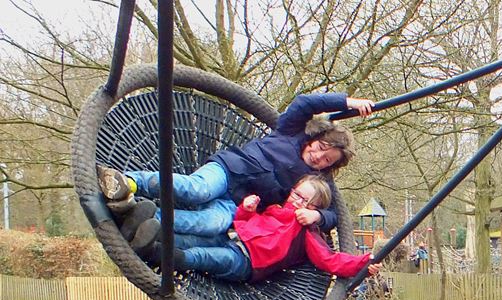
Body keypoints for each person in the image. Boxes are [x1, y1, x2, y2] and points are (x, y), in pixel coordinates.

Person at [98, 93, 374, 238]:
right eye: (321, 149)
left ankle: (144, 219)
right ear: (316, 138)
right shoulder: (291, 132)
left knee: (210, 224)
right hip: (227, 170)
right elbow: (305, 102)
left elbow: (336, 215)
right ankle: (126, 182)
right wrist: (347, 102)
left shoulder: (314, 180)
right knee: (197, 190)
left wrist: (318, 217)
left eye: (327, 161)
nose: (318, 157)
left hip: (238, 204)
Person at [132, 174, 381, 282]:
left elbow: (329, 260)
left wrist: (364, 262)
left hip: (247, 262)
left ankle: (155, 254)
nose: (297, 201)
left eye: (306, 201)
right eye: (297, 195)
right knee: (188, 240)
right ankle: (142, 233)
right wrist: (247, 209)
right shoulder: (273, 210)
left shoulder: (306, 233)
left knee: (203, 256)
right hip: (232, 238)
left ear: (315, 209)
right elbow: (246, 223)